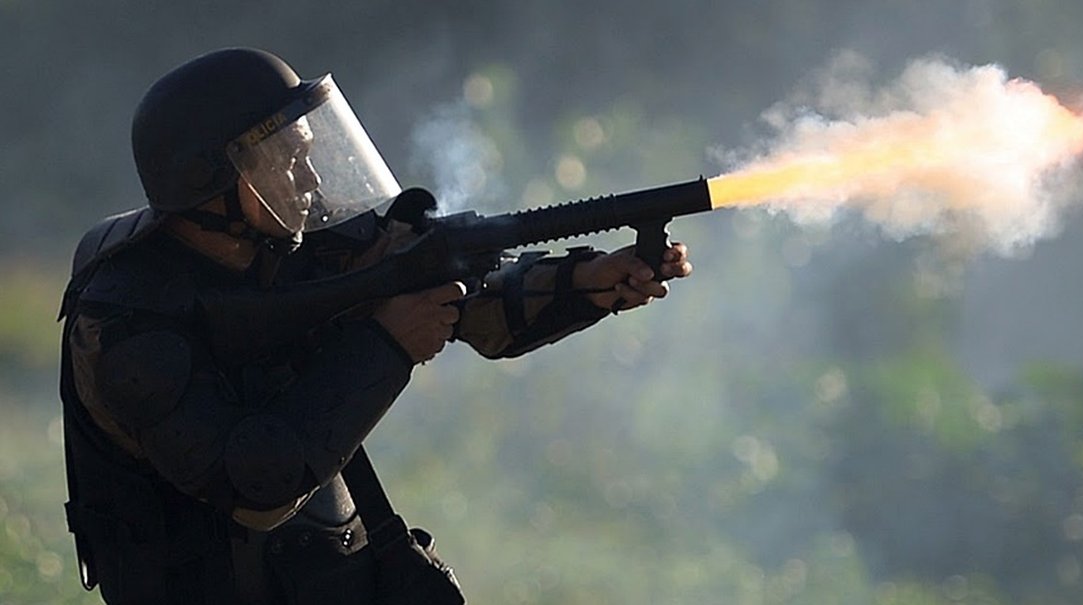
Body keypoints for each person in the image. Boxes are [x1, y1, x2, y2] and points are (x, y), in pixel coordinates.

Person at [58, 47, 693, 605]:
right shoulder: (125, 321)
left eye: (307, 156)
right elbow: (256, 486)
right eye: (283, 162)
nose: (308, 181)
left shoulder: (288, 243)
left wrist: (586, 282)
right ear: (210, 183)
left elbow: (455, 292)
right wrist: (388, 346)